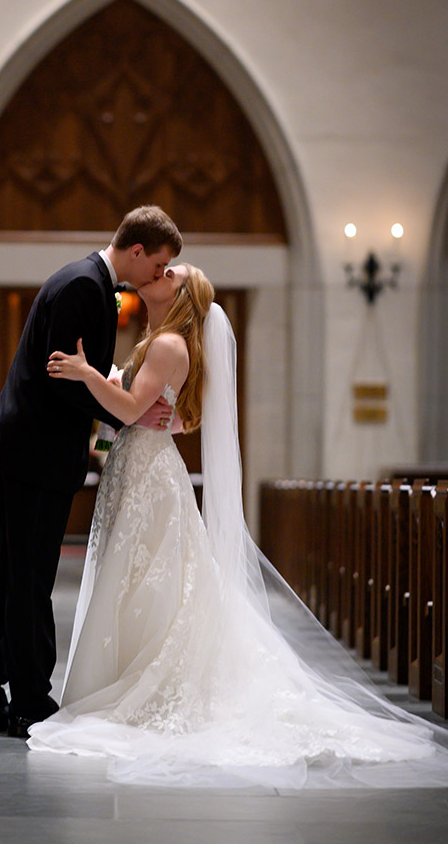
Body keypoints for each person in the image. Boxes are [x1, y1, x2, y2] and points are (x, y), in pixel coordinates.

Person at [28, 263, 448, 789]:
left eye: (167, 272)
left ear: (178, 292)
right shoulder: (163, 341)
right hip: (142, 466)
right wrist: (128, 416)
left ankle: (142, 681)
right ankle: (127, 671)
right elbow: (175, 415)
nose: (156, 273)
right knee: (139, 576)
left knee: (148, 578)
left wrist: (91, 375)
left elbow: (136, 409)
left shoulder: (168, 345)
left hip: (150, 474)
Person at [0, 206, 183, 738]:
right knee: (28, 577)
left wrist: (117, 399)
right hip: (35, 450)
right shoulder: (84, 286)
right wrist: (127, 411)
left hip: (28, 447)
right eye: (158, 264)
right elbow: (61, 377)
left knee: (13, 572)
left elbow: (76, 372)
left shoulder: (88, 282)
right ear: (136, 252)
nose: (159, 275)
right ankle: (29, 702)